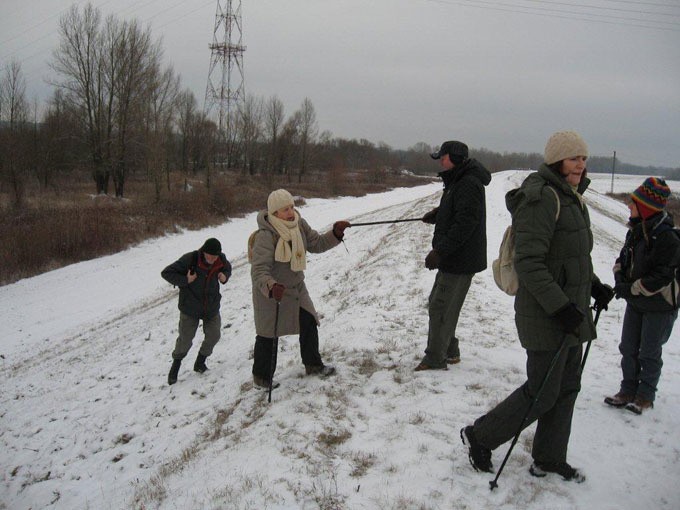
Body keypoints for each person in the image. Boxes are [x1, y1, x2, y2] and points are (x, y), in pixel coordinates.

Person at [460, 131, 613, 482]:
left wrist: (594, 286)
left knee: (567, 387)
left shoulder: (572, 197)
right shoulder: (541, 198)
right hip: (546, 314)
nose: (581, 164)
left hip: (571, 313)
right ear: (557, 159)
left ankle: (548, 458)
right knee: (543, 391)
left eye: (584, 158)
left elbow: (573, 256)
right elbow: (530, 263)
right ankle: (479, 436)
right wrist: (561, 308)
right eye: (574, 158)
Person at [249, 189, 350, 389]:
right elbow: (259, 270)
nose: (290, 212)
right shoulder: (265, 235)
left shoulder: (299, 224)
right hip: (271, 291)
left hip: (296, 288)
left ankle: (313, 365)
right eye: (285, 209)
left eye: (292, 207)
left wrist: (335, 233)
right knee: (269, 335)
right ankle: (261, 378)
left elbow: (317, 243)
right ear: (274, 212)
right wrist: (271, 286)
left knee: (309, 321)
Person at [605, 177, 680, 414]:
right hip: (636, 302)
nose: (629, 206)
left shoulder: (667, 237)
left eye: (634, 203)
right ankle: (627, 390)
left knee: (649, 352)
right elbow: (623, 259)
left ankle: (645, 396)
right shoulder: (637, 231)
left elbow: (662, 276)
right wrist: (619, 278)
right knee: (628, 347)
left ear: (646, 207)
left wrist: (631, 288)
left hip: (659, 305)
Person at [416, 140, 491, 370]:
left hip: (460, 259)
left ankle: (435, 359)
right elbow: (457, 209)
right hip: (455, 258)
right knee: (439, 304)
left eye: (443, 156)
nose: (440, 160)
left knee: (440, 307)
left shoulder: (468, 182)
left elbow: (465, 224)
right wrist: (437, 214)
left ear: (455, 158)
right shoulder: (459, 180)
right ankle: (449, 350)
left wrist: (439, 251)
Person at [161, 238, 232, 385]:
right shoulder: (190, 259)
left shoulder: (221, 259)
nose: (212, 259)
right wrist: (185, 279)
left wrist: (225, 276)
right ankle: (176, 365)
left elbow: (227, 268)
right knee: (185, 340)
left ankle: (200, 362)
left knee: (214, 335)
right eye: (209, 255)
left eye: (215, 256)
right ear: (203, 251)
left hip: (211, 306)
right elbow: (166, 273)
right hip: (190, 307)